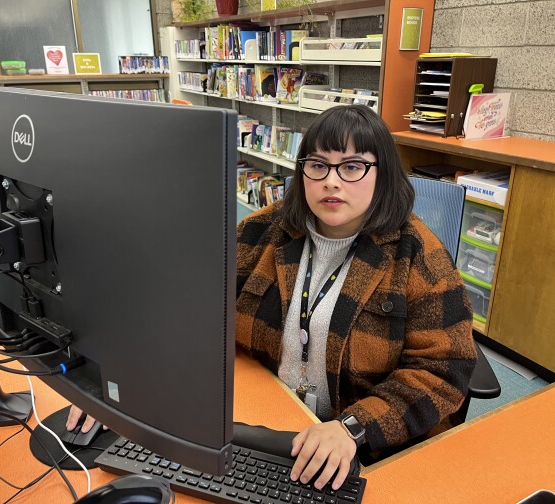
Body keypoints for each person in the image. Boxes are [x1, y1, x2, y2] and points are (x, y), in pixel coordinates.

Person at [68, 104, 477, 491]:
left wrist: (354, 427)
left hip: (361, 444)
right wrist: (120, 384)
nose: (331, 181)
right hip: (272, 417)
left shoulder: (418, 254)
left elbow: (444, 369)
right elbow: (189, 309)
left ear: (383, 174)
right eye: (317, 165)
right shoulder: (262, 231)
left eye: (352, 167)